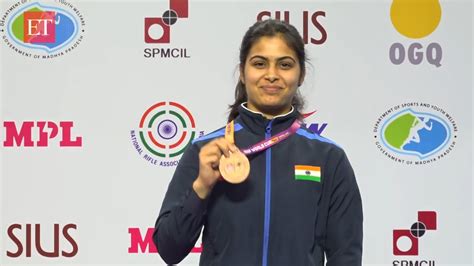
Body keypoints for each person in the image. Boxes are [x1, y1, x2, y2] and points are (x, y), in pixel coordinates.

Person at [153, 19, 363, 266]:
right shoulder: (206, 152)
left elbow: (346, 256)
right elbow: (169, 248)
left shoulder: (329, 157)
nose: (271, 75)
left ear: (301, 74)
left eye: (285, 65)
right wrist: (201, 187)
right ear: (243, 72)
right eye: (259, 64)